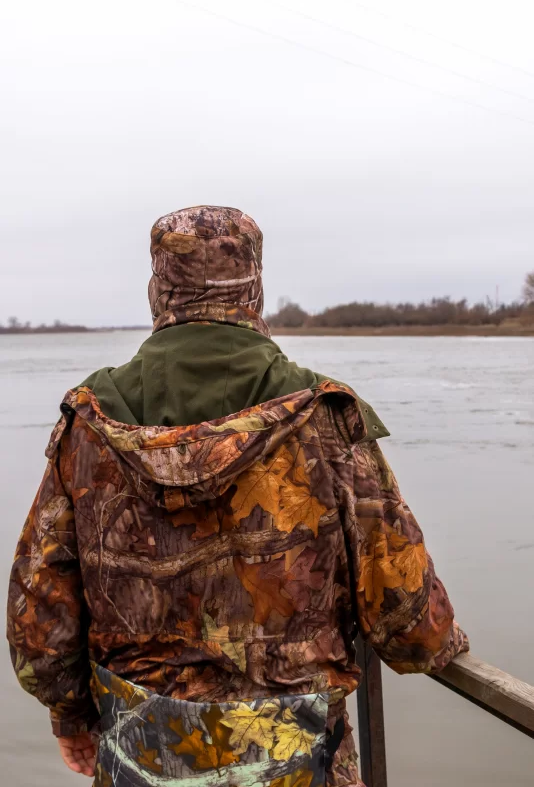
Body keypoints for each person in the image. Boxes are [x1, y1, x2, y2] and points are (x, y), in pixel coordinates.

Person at [7, 205, 468, 787]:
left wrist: (70, 714)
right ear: (253, 290)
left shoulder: (89, 423)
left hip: (141, 758)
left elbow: (38, 610)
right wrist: (442, 642)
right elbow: (405, 615)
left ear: (158, 290)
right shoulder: (323, 416)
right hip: (300, 763)